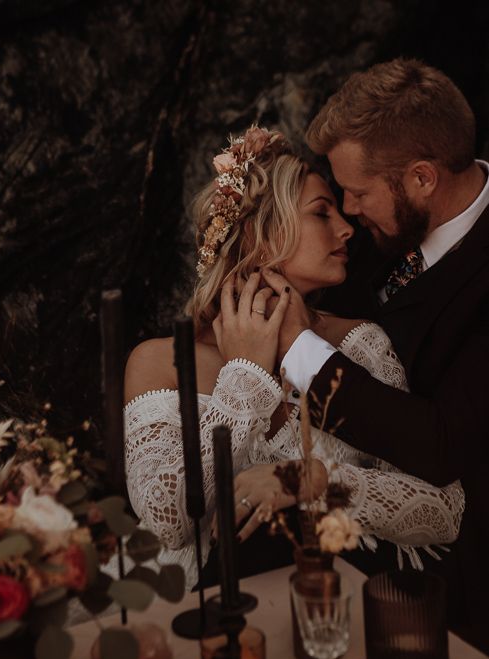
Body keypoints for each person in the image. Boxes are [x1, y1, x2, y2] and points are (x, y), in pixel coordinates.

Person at [123, 125, 463, 590]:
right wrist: (246, 377)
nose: (346, 227)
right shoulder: (160, 362)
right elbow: (170, 522)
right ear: (261, 232)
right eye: (321, 213)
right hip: (205, 612)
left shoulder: (362, 342)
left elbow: (442, 512)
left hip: (337, 597)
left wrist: (309, 479)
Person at [271, 58, 489, 653]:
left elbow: (444, 443)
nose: (348, 210)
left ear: (422, 178)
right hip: (370, 565)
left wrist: (299, 351)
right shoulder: (387, 230)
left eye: (358, 192)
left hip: (469, 594)